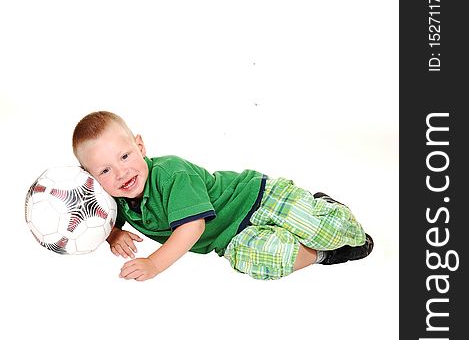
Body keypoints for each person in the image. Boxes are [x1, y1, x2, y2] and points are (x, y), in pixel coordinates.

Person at [72, 111, 373, 281]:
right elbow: (100, 220)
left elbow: (193, 227)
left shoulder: (172, 174)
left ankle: (323, 210)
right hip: (229, 238)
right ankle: (325, 255)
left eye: (125, 156)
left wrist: (154, 263)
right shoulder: (116, 198)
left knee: (326, 230)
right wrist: (113, 234)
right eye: (105, 171)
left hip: (255, 198)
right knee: (271, 261)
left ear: (140, 146)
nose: (121, 173)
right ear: (91, 177)